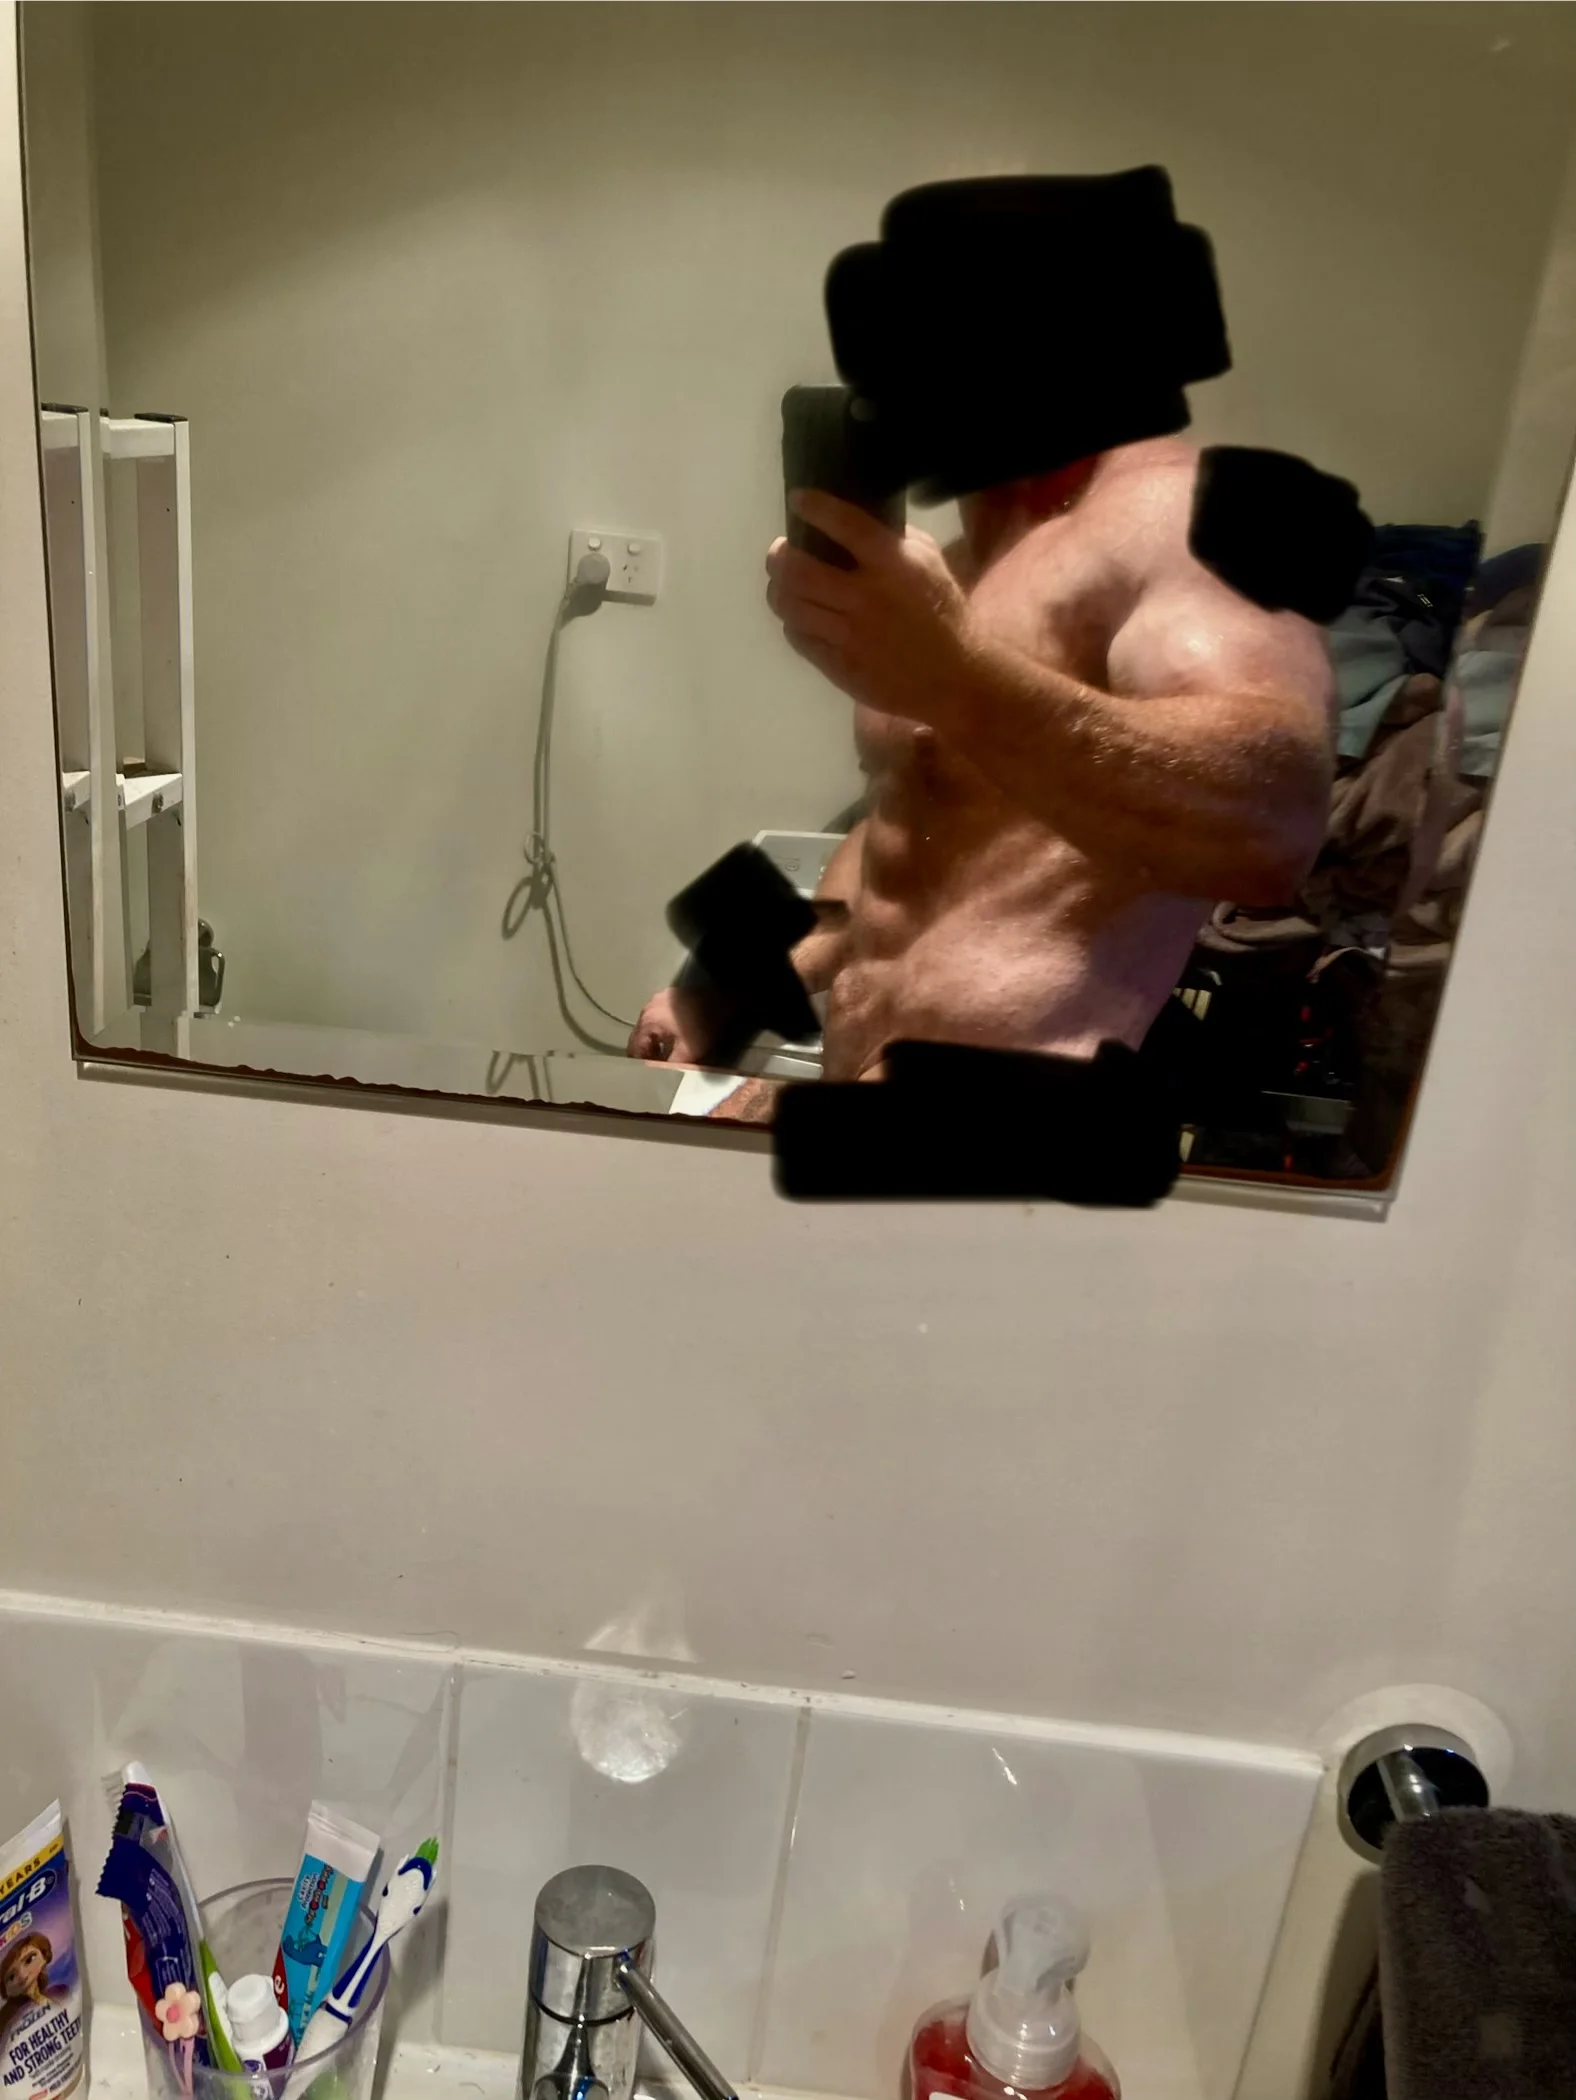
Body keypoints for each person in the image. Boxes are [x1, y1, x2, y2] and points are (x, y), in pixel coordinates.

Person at [629, 433, 1334, 1122]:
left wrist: (957, 679)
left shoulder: (1175, 512)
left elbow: (1276, 824)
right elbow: (899, 831)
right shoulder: (954, 568)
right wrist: (729, 990)